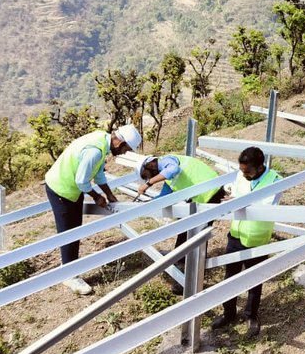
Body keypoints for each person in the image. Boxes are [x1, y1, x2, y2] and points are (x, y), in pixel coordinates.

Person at [44, 124, 142, 295]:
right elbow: (82, 181)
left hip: (70, 187)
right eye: (126, 149)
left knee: (75, 228)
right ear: (119, 143)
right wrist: (97, 197)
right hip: (62, 188)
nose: (125, 153)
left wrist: (109, 194)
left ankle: (68, 265)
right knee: (68, 231)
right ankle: (69, 275)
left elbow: (98, 174)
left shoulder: (101, 140)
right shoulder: (95, 151)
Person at [212, 147, 283, 337]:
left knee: (254, 280)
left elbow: (265, 207)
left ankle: (251, 315)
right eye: (242, 171)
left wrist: (239, 201)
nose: (244, 175)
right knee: (230, 277)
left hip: (257, 238)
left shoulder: (275, 180)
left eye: (248, 171)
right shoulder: (241, 174)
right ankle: (229, 313)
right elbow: (235, 192)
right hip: (236, 234)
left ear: (260, 167)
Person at [136, 153, 227, 205]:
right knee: (185, 226)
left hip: (212, 190)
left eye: (147, 176)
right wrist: (145, 205)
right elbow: (163, 197)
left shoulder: (165, 160)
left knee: (189, 228)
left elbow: (173, 169)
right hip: (205, 196)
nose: (149, 178)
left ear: (150, 165)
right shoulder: (168, 179)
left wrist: (148, 184)